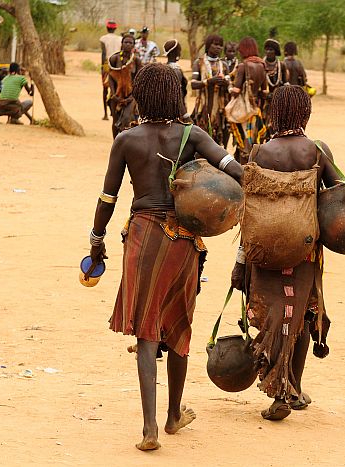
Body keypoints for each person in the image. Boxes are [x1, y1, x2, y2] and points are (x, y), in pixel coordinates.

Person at [85, 63, 242, 451]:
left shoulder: (127, 140)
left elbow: (108, 198)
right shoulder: (193, 136)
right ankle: (174, 416)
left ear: (141, 95)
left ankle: (150, 430)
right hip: (183, 239)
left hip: (142, 238)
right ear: (176, 95)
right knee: (178, 323)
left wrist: (96, 241)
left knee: (147, 330)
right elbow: (235, 170)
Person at [230, 85, 340, 421]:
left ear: (274, 113)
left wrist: (239, 263)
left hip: (263, 250)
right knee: (303, 314)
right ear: (305, 113)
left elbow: (248, 211)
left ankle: (278, 388)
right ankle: (292, 386)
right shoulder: (317, 151)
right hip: (304, 252)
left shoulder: (260, 152)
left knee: (271, 315)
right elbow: (339, 193)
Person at [229, 36, 268, 162]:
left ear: (244, 50)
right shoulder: (262, 65)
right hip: (256, 110)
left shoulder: (243, 66)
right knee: (254, 141)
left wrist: (228, 86)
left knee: (244, 143)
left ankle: (244, 171)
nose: (239, 53)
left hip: (244, 111)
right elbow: (265, 92)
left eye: (240, 50)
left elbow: (236, 91)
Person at [191, 34, 229, 146]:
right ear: (208, 45)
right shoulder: (199, 63)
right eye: (215, 44)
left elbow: (229, 86)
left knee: (219, 139)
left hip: (219, 110)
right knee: (201, 139)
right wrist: (208, 81)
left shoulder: (224, 65)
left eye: (220, 45)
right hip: (203, 109)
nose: (219, 47)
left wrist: (225, 83)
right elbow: (193, 84)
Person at [108, 34, 142, 137]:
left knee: (127, 119)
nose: (127, 44)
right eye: (125, 42)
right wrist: (114, 95)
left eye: (130, 43)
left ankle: (125, 144)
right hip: (116, 96)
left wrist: (132, 97)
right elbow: (110, 77)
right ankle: (115, 143)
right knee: (115, 121)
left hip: (131, 97)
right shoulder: (114, 59)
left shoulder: (136, 61)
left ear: (133, 45)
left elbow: (139, 80)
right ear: (121, 44)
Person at [262, 38, 287, 136]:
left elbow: (285, 84)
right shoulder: (261, 65)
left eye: (271, 49)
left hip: (277, 101)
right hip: (263, 101)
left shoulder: (282, 66)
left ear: (276, 52)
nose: (268, 52)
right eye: (267, 49)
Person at [100, 19, 121, 120]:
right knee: (117, 88)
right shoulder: (120, 39)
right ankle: (115, 110)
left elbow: (104, 54)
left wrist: (103, 68)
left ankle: (105, 114)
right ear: (115, 29)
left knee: (105, 89)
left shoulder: (103, 38)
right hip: (117, 65)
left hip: (107, 64)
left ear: (107, 28)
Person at [163, 39, 188, 112]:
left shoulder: (165, 68)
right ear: (175, 52)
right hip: (175, 110)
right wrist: (184, 114)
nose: (180, 53)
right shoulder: (176, 70)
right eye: (179, 50)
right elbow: (176, 94)